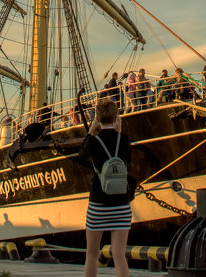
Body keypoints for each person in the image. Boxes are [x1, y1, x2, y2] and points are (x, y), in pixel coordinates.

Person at [81, 96, 132, 277]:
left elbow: (82, 155)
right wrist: (119, 133)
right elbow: (128, 164)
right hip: (122, 206)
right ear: (116, 116)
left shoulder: (93, 141)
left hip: (98, 205)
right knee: (119, 255)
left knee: (92, 253)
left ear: (98, 117)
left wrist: (91, 129)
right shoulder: (124, 140)